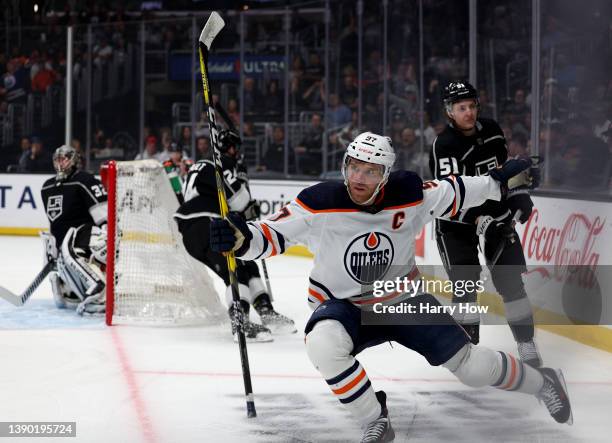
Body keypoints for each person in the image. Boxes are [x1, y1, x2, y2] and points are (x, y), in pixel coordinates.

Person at [210, 132, 572, 441]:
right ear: (344, 166)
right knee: (323, 344)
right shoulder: (318, 203)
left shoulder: (409, 194)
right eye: (354, 167)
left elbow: (456, 189)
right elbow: (270, 235)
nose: (359, 178)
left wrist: (497, 181)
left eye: (371, 171)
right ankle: (375, 420)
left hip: (404, 298)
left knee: (473, 368)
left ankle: (545, 383)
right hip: (344, 304)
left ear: (385, 175)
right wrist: (240, 238)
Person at [429, 81, 542, 367]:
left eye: (471, 106)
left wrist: (519, 194)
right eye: (461, 108)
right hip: (454, 221)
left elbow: (506, 171)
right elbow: (448, 197)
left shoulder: (491, 129)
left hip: (495, 212)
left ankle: (526, 344)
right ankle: (467, 350)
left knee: (510, 281)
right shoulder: (444, 145)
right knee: (465, 284)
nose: (468, 112)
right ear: (449, 112)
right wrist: (479, 220)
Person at [174, 129, 296, 342]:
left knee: (246, 264)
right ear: (230, 148)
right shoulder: (222, 164)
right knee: (237, 271)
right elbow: (239, 201)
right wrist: (249, 209)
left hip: (190, 231)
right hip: (208, 224)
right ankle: (241, 325)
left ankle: (265, 311)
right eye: (235, 148)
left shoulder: (197, 166)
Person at [40, 145, 108, 315]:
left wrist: (108, 234)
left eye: (64, 158)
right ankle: (75, 290)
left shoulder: (84, 180)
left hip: (87, 237)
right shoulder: (47, 187)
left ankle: (99, 286)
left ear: (74, 160)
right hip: (65, 242)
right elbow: (56, 221)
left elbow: (103, 215)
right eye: (57, 159)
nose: (60, 162)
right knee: (57, 250)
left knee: (70, 249)